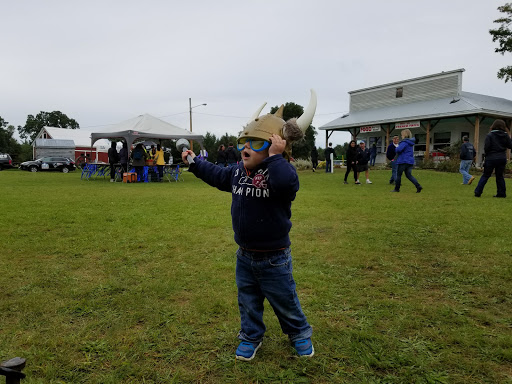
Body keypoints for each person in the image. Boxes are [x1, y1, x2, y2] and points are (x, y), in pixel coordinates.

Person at [181, 95, 316, 361]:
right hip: (244, 256)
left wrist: (276, 158)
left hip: (275, 258)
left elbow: (287, 185)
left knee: (285, 301)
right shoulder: (237, 172)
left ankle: (299, 333)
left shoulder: (281, 172)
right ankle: (251, 336)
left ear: (276, 148)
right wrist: (195, 163)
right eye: (244, 142)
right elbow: (216, 174)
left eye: (256, 143)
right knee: (248, 302)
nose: (246, 148)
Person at [474, 119, 512, 198]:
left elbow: (487, 147)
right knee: (500, 176)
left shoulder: (490, 135)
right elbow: (510, 145)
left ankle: (478, 192)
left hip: (491, 157)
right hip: (502, 157)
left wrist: (487, 155)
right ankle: (501, 193)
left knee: (486, 175)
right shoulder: (505, 135)